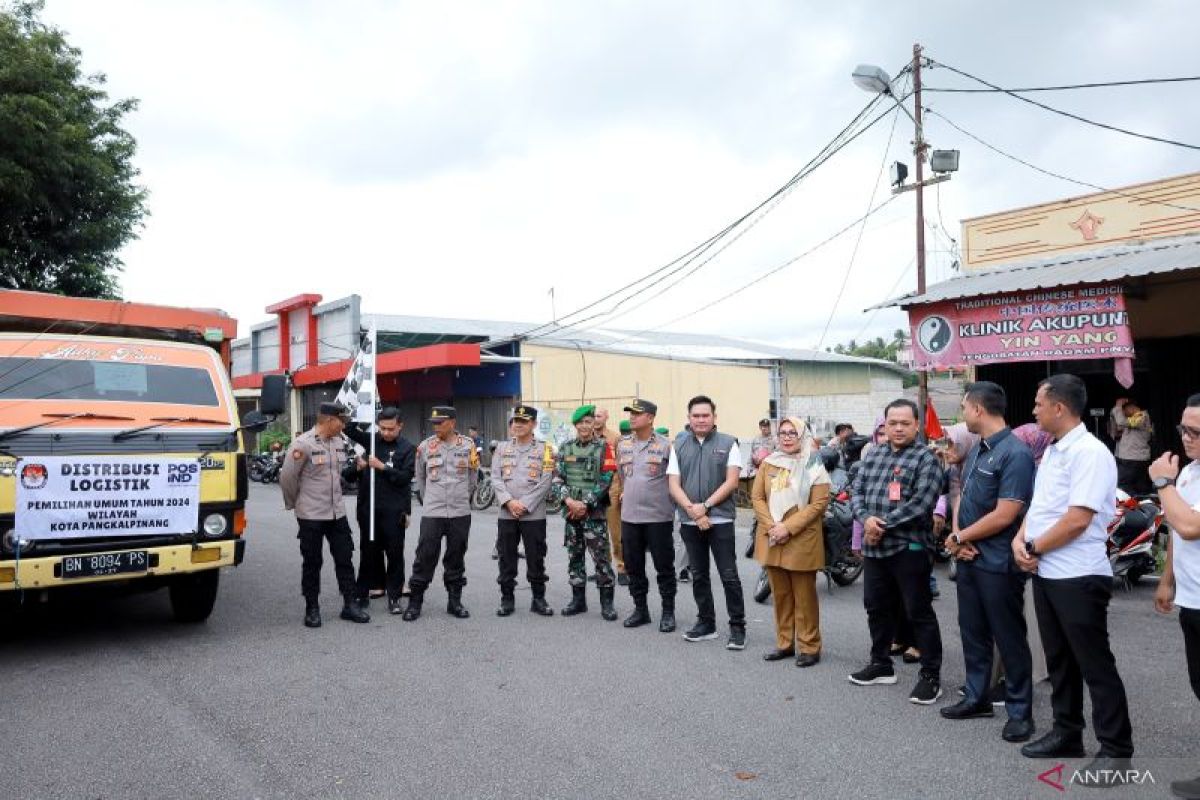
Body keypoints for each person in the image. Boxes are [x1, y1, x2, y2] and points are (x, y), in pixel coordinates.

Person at [1013, 374, 1134, 781]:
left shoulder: (1090, 452)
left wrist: (1033, 548)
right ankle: (1067, 733)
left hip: (1079, 577)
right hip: (1047, 572)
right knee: (1060, 663)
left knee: (1094, 665)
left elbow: (1077, 520)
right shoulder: (1054, 449)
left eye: (1037, 403)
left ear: (1059, 408)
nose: (1034, 411)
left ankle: (1116, 750)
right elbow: (1042, 506)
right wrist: (1020, 539)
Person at [939, 382, 1037, 744]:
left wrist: (962, 538)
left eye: (964, 407)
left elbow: (1006, 513)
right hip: (969, 558)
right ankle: (976, 696)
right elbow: (962, 496)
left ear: (978, 409)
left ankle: (1019, 712)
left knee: (1008, 638)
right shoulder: (978, 449)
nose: (961, 415)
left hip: (997, 562)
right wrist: (957, 539)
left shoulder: (1016, 453)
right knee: (973, 632)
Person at [848, 399, 946, 705]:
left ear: (916, 425)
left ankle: (931, 676)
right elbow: (856, 492)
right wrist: (866, 520)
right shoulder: (873, 454)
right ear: (884, 426)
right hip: (876, 549)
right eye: (893, 423)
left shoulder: (926, 459)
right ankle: (881, 664)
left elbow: (922, 504)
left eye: (905, 423)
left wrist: (881, 525)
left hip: (910, 547)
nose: (899, 428)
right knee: (876, 607)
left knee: (918, 611)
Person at [1149, 393, 1200, 800]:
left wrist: (1163, 482)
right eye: (1184, 429)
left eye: (1196, 432)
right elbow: (1173, 532)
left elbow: (1189, 526)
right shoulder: (1187, 473)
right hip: (1192, 600)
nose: (1187, 438)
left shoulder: (1174, 477)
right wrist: (1167, 580)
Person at [279, 402, 370, 627]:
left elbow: (338, 475)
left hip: (337, 513)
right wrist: (295, 505)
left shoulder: (339, 442)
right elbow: (288, 478)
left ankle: (349, 604)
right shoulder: (303, 444)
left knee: (345, 558)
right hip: (311, 514)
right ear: (329, 420)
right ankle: (312, 608)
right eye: (342, 421)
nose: (344, 426)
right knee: (312, 561)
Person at [667, 395, 746, 650]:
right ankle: (706, 624)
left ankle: (737, 627)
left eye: (705, 415)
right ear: (688, 418)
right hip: (690, 521)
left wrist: (706, 507)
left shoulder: (728, 443)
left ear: (714, 417)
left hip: (720, 519)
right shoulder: (678, 445)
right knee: (698, 574)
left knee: (729, 575)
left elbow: (732, 481)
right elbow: (673, 484)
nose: (701, 420)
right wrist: (694, 512)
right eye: (696, 415)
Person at [753, 417, 831, 667]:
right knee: (781, 595)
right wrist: (771, 527)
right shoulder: (769, 462)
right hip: (773, 536)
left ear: (802, 436)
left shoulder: (813, 463)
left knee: (804, 596)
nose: (786, 437)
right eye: (783, 433)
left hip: (800, 537)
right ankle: (784, 643)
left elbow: (819, 504)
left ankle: (809, 646)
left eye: (792, 433)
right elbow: (757, 498)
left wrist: (787, 527)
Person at [404, 406, 479, 621]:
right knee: (425, 556)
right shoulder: (425, 447)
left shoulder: (468, 445)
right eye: (434, 423)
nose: (436, 426)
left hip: (460, 512)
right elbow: (421, 480)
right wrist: (431, 501)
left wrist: (462, 498)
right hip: (433, 512)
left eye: (440, 422)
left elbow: (473, 478)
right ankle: (415, 602)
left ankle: (454, 602)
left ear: (453, 423)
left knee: (456, 557)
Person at [342, 407, 416, 616]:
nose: (386, 432)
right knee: (368, 552)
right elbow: (348, 429)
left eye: (390, 429)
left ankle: (394, 597)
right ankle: (362, 593)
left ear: (400, 425)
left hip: (394, 511)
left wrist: (382, 467)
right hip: (368, 510)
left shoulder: (407, 448)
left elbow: (404, 478)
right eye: (382, 428)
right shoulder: (372, 441)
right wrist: (360, 409)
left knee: (394, 553)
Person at [550, 405, 619, 619]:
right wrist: (569, 501)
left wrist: (585, 504)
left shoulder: (604, 448)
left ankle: (607, 605)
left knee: (601, 559)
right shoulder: (565, 448)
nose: (584, 426)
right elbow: (557, 478)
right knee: (575, 557)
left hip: (594, 514)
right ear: (575, 425)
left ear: (594, 424)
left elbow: (607, 478)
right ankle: (578, 601)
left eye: (588, 422)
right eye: (580, 422)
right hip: (571, 514)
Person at [618, 398, 678, 632]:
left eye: (637, 413)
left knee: (664, 567)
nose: (632, 417)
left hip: (658, 517)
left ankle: (668, 612)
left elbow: (673, 480)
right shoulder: (622, 445)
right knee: (634, 567)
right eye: (630, 413)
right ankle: (640, 609)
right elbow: (624, 478)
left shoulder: (666, 446)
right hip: (630, 516)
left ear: (651, 418)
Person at [491, 405, 555, 617]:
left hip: (533, 514)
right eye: (515, 421)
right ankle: (506, 599)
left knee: (536, 557)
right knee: (506, 556)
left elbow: (546, 481)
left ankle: (538, 598)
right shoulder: (501, 448)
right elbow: (496, 478)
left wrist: (525, 504)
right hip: (506, 513)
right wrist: (509, 502)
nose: (518, 425)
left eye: (523, 421)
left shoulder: (545, 450)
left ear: (534, 424)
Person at [594, 408, 628, 586]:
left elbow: (623, 467)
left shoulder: (615, 438)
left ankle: (622, 568)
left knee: (616, 534)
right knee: (597, 534)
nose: (595, 420)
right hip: (591, 493)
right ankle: (603, 568)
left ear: (606, 417)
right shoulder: (585, 438)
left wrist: (623, 489)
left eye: (599, 416)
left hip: (611, 491)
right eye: (593, 416)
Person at [1110, 398, 1154, 496]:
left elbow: (1121, 421)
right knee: (1136, 487)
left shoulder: (1142, 415)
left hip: (1134, 458)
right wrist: (1114, 415)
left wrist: (1117, 408)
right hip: (1126, 458)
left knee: (1125, 487)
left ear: (1133, 407)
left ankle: (1138, 507)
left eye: (1124, 409)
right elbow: (1115, 432)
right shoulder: (1127, 420)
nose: (1123, 412)